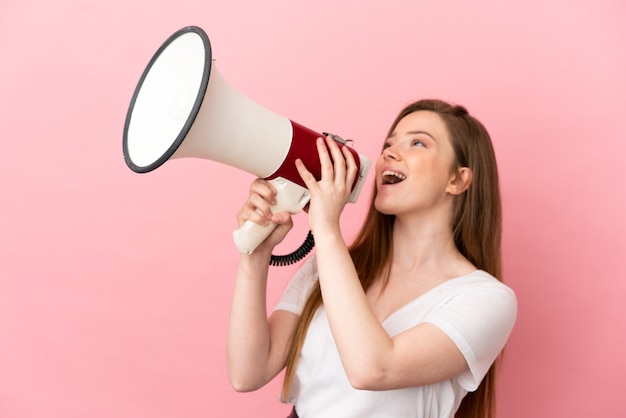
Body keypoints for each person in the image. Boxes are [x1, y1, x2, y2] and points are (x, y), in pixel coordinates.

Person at [226, 99, 517, 418]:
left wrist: (325, 228)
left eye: (417, 142)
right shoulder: (333, 266)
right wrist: (255, 253)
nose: (388, 153)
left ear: (458, 180)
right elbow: (247, 374)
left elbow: (373, 369)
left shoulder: (486, 299)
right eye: (388, 143)